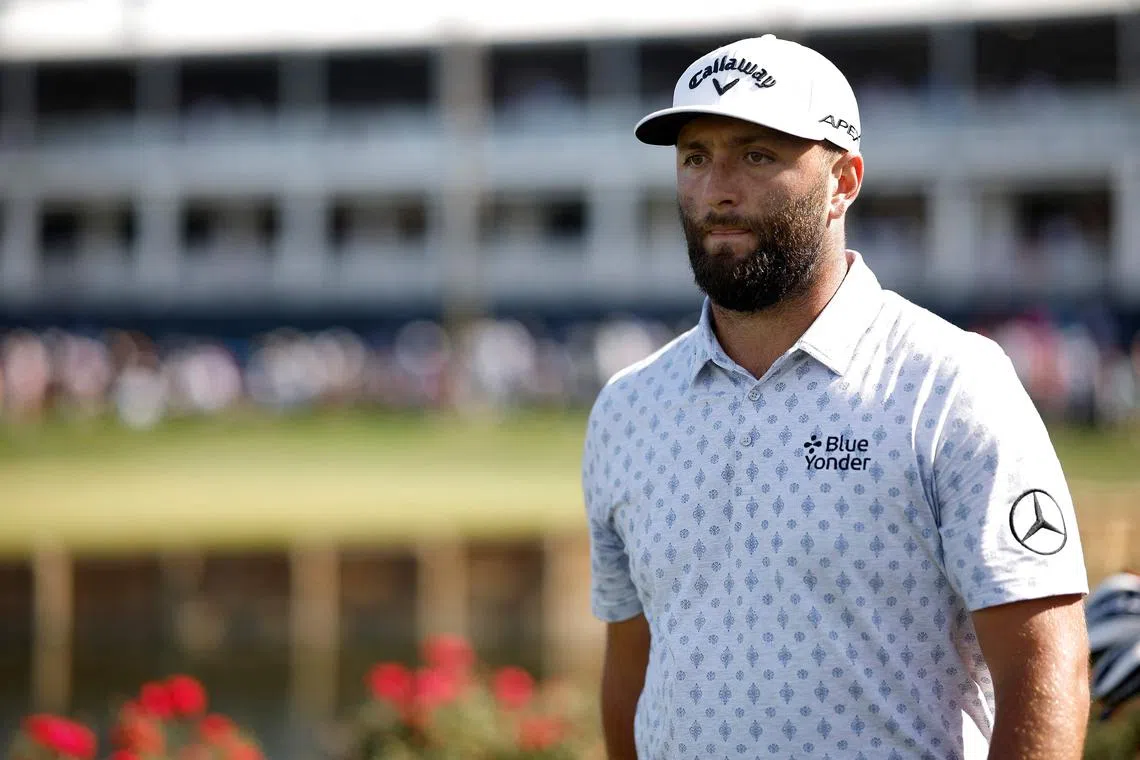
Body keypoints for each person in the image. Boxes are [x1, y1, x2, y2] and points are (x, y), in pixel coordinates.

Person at [582, 34, 1090, 760]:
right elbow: (630, 670)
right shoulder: (627, 410)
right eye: (695, 157)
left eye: (757, 155)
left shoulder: (950, 385)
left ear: (844, 181)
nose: (717, 189)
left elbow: (1044, 667)